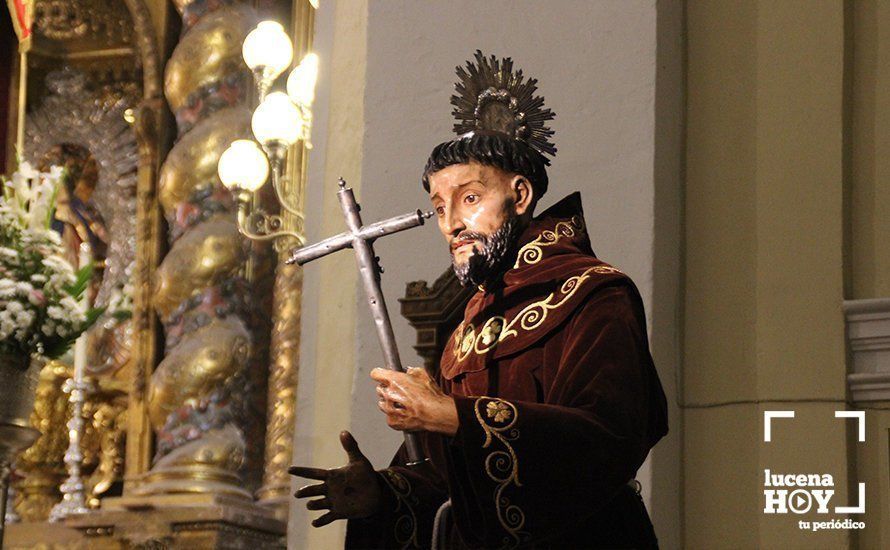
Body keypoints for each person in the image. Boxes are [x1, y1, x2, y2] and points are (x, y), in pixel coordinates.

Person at [290, 51, 669, 549]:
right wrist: (384, 494)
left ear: (521, 194)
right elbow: (457, 485)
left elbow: (607, 439)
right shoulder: (467, 332)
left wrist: (448, 414)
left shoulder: (596, 294)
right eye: (439, 206)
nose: (451, 223)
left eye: (470, 199)